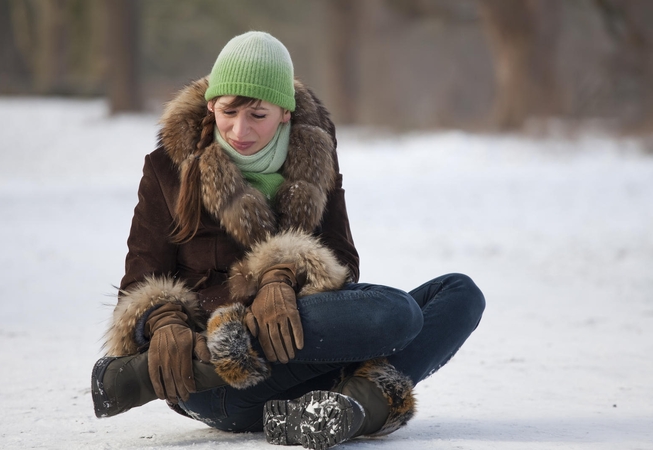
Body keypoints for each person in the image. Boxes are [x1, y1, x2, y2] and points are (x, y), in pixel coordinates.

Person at [91, 31, 485, 450]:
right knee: (398, 315)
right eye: (228, 112)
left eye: (257, 115)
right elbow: (139, 283)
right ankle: (188, 365)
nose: (240, 129)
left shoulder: (315, 160)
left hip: (304, 366)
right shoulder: (167, 168)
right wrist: (165, 322)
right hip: (212, 389)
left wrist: (282, 273)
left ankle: (343, 410)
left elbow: (344, 263)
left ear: (285, 113)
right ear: (211, 105)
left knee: (458, 294)